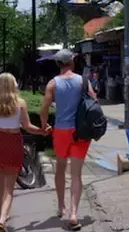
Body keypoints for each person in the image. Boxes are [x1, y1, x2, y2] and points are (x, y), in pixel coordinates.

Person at [0, 72, 48, 232]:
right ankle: (3, 218)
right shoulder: (20, 103)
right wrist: (42, 131)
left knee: (0, 180)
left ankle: (2, 214)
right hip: (14, 141)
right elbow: (27, 127)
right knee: (10, 186)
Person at [40, 49, 96, 231]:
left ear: (58, 64)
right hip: (80, 131)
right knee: (76, 174)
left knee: (61, 167)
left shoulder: (52, 83)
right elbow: (94, 100)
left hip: (61, 131)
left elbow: (44, 108)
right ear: (71, 62)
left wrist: (44, 125)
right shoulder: (82, 81)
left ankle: (61, 206)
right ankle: (73, 214)